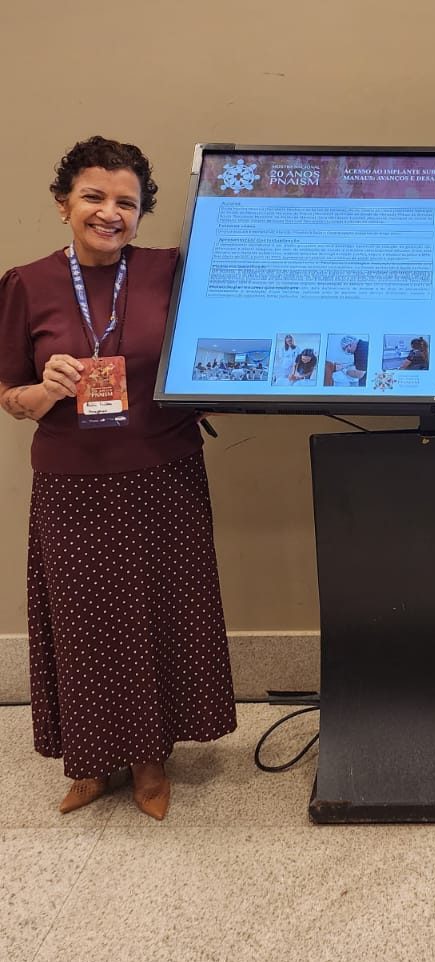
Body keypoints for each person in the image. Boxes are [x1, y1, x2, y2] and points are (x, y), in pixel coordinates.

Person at [0, 136, 237, 821]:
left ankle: (150, 759)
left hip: (165, 474)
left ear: (142, 213)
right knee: (82, 627)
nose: (110, 212)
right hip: (72, 484)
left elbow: (213, 353)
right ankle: (91, 761)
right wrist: (43, 392)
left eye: (126, 202)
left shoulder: (171, 271)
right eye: (94, 196)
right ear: (62, 204)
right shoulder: (26, 283)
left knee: (161, 616)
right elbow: (10, 394)